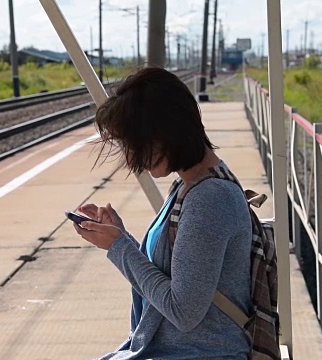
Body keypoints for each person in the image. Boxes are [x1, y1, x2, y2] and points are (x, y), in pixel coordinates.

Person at [72, 67, 253, 359]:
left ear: (166, 132)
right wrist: (122, 239)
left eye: (135, 144)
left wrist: (118, 248)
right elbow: (169, 278)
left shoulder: (210, 199)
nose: (132, 158)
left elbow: (182, 311)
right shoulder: (188, 187)